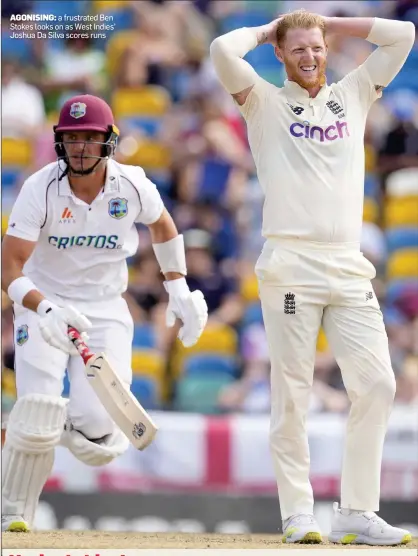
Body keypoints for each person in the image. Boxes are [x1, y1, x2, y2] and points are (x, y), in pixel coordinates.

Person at [210, 9, 414, 547]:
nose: (309, 56)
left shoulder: (354, 92)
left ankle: (356, 513)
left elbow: (405, 34)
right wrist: (267, 30)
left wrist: (330, 22)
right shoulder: (263, 102)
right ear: (280, 54)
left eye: (316, 48)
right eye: (297, 48)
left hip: (348, 266)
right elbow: (222, 52)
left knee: (378, 386)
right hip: (292, 266)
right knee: (293, 391)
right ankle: (298, 513)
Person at [1, 94, 208, 532]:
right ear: (60, 143)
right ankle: (13, 513)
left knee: (98, 425)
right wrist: (47, 308)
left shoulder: (131, 184)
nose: (80, 147)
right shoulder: (40, 187)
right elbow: (9, 267)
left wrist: (179, 288)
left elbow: (163, 225)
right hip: (42, 304)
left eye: (90, 138)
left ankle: (54, 428)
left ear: (108, 142)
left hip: (105, 306)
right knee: (37, 405)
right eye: (72, 138)